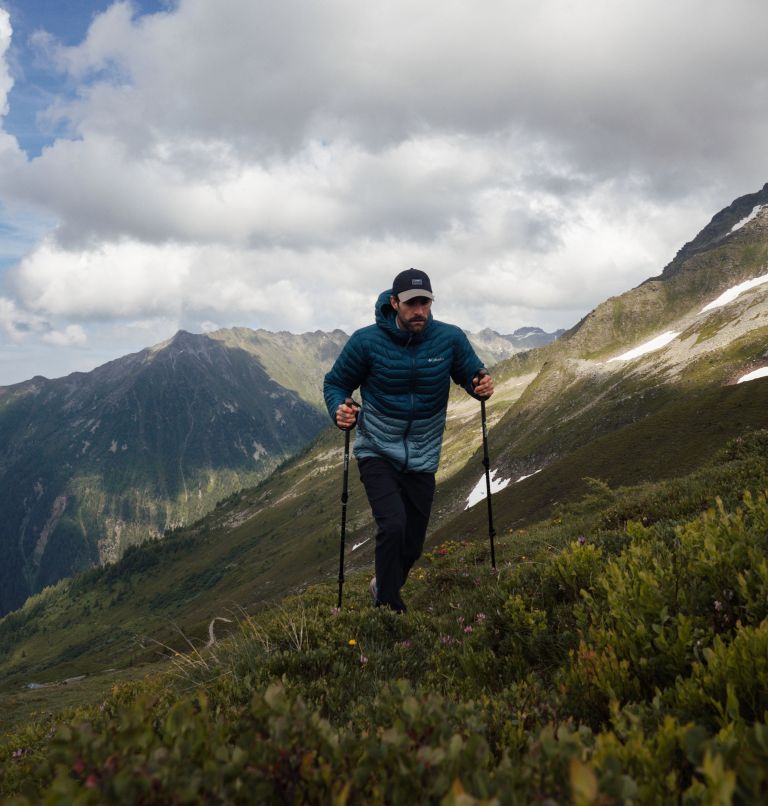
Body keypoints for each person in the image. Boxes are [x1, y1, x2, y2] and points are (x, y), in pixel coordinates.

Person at [323, 268, 494, 613]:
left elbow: (471, 375)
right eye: (412, 303)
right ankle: (388, 609)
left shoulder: (449, 339)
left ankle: (381, 587)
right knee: (393, 525)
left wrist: (481, 386)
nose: (419, 310)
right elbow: (335, 383)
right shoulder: (366, 342)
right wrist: (339, 408)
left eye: (425, 303)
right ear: (394, 303)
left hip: (423, 455)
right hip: (376, 450)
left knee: (413, 545)